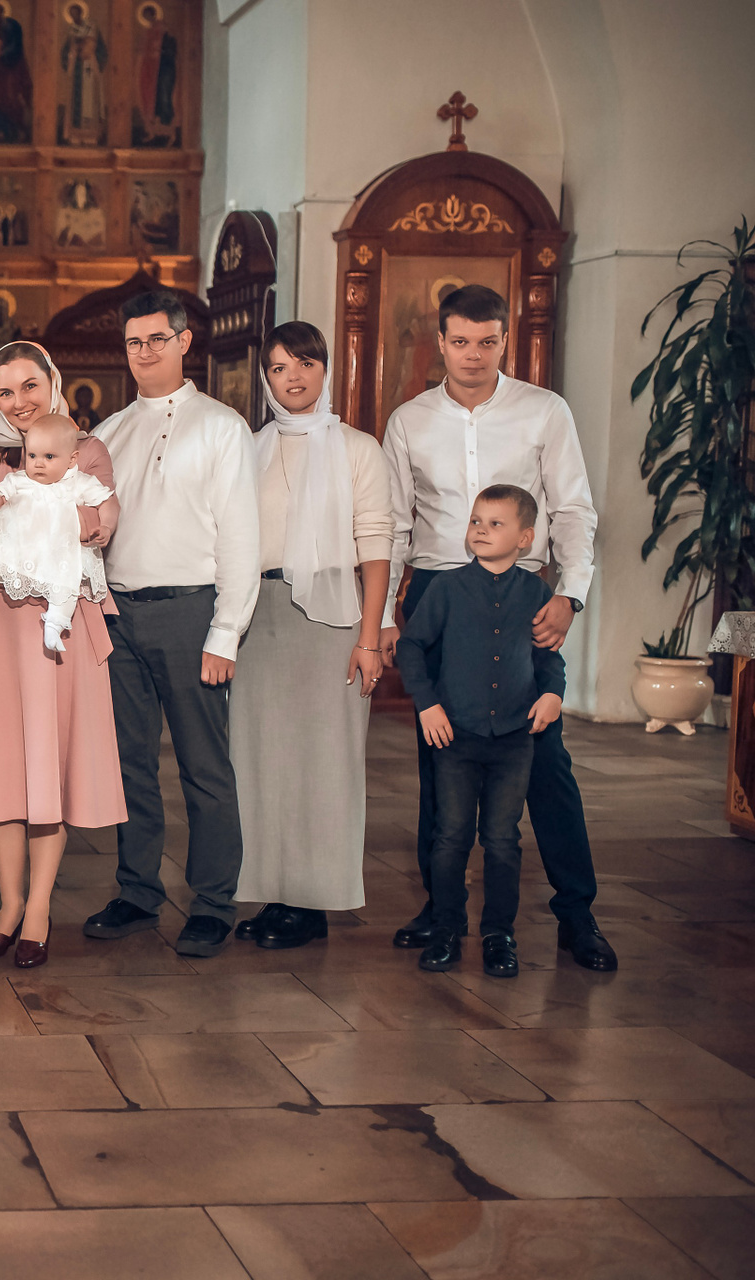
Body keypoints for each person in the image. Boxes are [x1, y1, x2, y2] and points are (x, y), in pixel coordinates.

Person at [377, 285, 615, 972]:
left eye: (487, 342)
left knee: (545, 762)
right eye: (460, 342)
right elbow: (393, 522)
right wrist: (389, 612)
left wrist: (570, 595)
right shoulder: (410, 420)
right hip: (437, 591)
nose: (474, 355)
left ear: (504, 341)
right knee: (440, 755)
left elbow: (573, 509)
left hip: (523, 595)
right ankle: (441, 909)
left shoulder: (545, 410)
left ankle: (576, 914)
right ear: (440, 342)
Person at [0, 341, 126, 970]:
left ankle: (38, 907)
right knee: (3, 772)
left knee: (48, 769)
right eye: (6, 391)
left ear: (53, 382)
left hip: (58, 633)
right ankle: (9, 903)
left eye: (30, 386)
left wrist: (82, 524)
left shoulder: (85, 450)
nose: (20, 402)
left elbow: (101, 520)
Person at [86, 291, 259, 958]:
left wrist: (225, 632)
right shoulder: (109, 432)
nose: (144, 352)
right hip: (118, 614)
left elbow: (240, 537)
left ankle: (213, 903)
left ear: (184, 342)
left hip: (192, 611)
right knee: (129, 764)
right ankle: (137, 891)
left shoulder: (221, 427)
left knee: (203, 766)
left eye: (156, 339)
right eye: (134, 341)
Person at [230, 322, 393, 950]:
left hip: (332, 615)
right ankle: (273, 893)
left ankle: (312, 901)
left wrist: (370, 637)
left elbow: (376, 544)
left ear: (325, 370)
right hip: (259, 614)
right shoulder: (250, 447)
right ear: (265, 378)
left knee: (325, 761)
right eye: (278, 367)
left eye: (304, 363)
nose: (292, 377)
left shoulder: (357, 448)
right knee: (260, 759)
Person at [395, 485, 565, 978]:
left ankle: (499, 935)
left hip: (514, 738)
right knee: (450, 836)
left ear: (525, 538)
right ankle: (446, 929)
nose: (481, 531)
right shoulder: (446, 589)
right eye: (476, 521)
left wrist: (553, 693)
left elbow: (547, 658)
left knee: (503, 839)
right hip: (455, 736)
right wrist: (427, 704)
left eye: (495, 524)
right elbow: (411, 647)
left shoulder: (536, 593)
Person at [0, 417, 115, 653]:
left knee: (65, 583)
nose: (38, 464)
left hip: (56, 551)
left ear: (72, 459)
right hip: (14, 546)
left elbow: (108, 502)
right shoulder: (19, 480)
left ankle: (55, 624)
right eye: (32, 456)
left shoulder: (80, 483)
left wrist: (106, 527)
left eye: (49, 457)